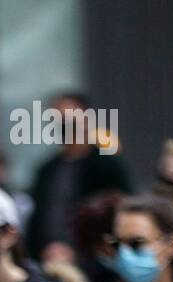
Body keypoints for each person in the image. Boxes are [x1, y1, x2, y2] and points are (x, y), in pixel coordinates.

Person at [27, 91, 133, 264]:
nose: (63, 125)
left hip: (97, 262)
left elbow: (123, 209)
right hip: (50, 261)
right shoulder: (47, 170)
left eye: (69, 119)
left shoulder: (107, 164)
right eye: (57, 119)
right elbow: (39, 220)